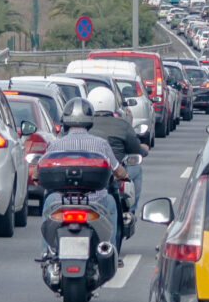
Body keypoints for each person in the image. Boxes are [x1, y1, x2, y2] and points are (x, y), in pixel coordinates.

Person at [40, 97, 128, 250]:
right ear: (89, 120)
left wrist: (36, 177)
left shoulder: (55, 144)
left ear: (66, 120)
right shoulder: (101, 144)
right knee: (112, 204)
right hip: (96, 202)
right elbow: (117, 170)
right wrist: (125, 175)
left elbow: (39, 168)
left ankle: (46, 252)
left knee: (47, 206)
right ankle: (110, 250)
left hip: (60, 201)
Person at [85, 86, 147, 213]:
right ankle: (131, 211)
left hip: (84, 176)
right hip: (113, 175)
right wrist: (144, 149)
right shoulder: (122, 124)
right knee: (136, 168)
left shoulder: (82, 125)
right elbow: (135, 149)